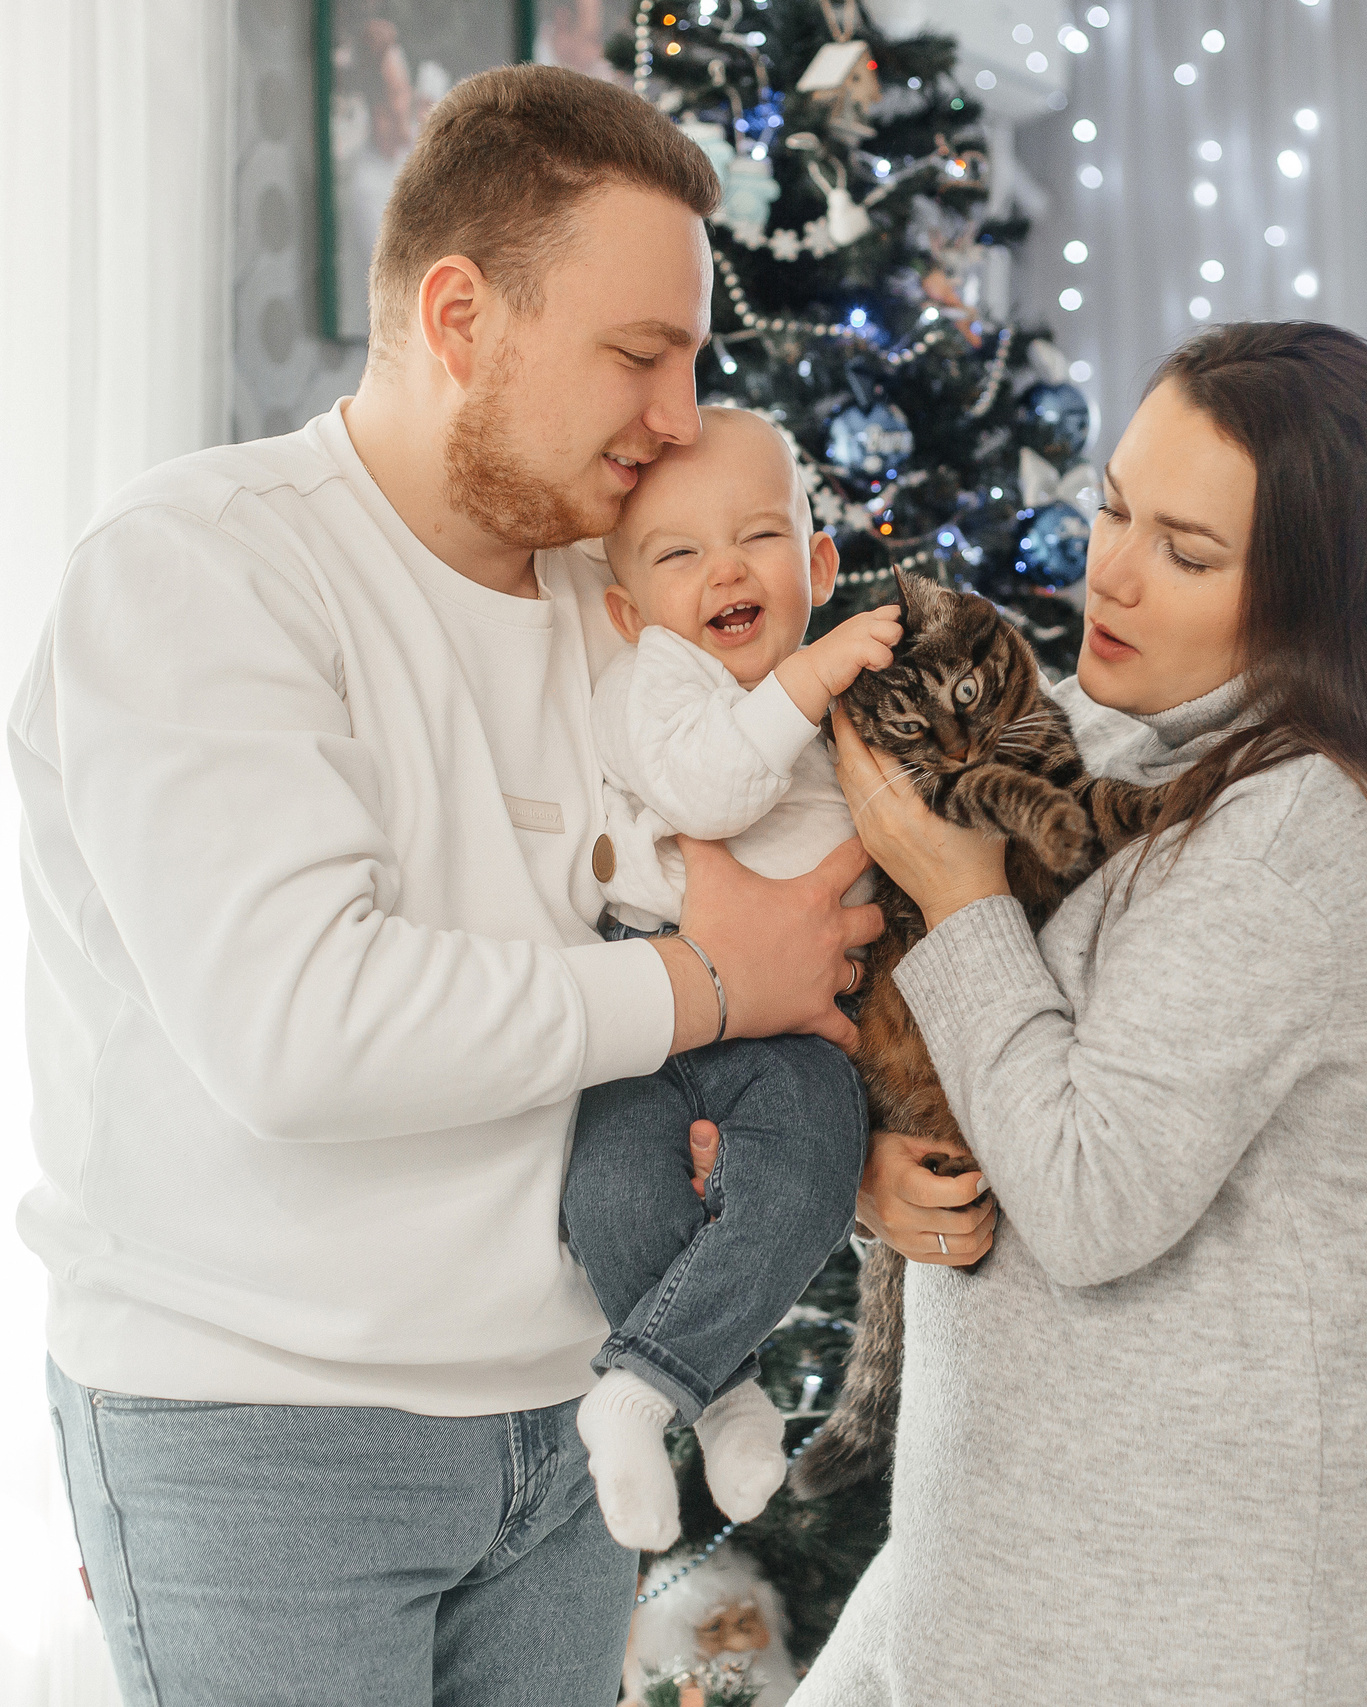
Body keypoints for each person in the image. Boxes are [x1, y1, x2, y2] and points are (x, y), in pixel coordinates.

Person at [9, 65, 879, 1706]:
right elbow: (305, 1031)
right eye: (639, 354)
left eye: (695, 360)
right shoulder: (200, 567)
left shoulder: (621, 601)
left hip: (568, 1419)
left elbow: (781, 879)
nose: (682, 418)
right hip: (263, 1429)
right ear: (461, 314)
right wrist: (709, 981)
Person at [798, 321, 1367, 1704]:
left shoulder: (1302, 836)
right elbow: (981, 1068)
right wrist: (871, 1173)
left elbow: (1085, 1199)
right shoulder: (1120, 734)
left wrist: (960, 891)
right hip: (1011, 1562)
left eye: (1190, 551)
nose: (1112, 571)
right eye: (1115, 508)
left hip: (1224, 1614)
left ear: (1321, 600)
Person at [561, 409, 903, 1553]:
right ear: (627, 610)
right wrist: (806, 679)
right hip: (651, 996)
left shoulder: (846, 701)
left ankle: (677, 1386)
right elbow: (712, 795)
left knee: (810, 1171)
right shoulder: (653, 682)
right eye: (677, 555)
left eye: (758, 537)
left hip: (794, 1031)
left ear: (816, 566)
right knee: (611, 1195)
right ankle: (695, 1388)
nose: (724, 571)